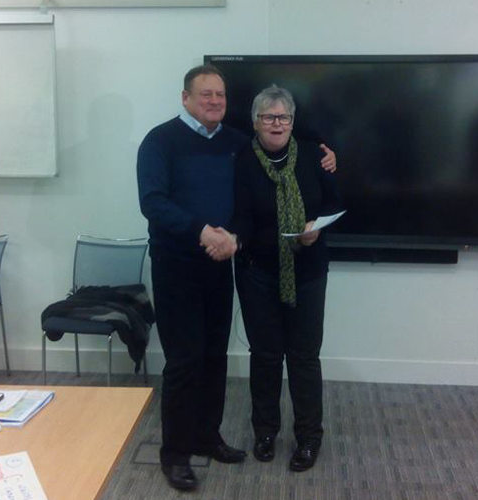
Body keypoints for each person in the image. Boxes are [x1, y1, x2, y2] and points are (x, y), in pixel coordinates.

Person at [137, 66, 336, 491]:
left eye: (221, 95)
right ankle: (175, 453)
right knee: (184, 361)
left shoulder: (234, 142)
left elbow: (280, 129)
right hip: (177, 266)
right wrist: (201, 231)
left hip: (219, 265)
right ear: (185, 98)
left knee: (215, 357)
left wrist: (326, 148)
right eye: (205, 94)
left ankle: (208, 438)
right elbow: (152, 202)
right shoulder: (159, 141)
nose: (214, 101)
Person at [230, 85, 342, 472]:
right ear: (255, 122)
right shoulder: (243, 159)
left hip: (308, 272)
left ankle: (309, 438)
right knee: (265, 356)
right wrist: (235, 238)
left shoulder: (314, 155)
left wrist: (316, 227)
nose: (277, 124)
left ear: (293, 121)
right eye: (268, 117)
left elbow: (335, 202)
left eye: (283, 117)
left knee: (304, 357)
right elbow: (241, 215)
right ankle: (265, 432)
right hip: (257, 273)